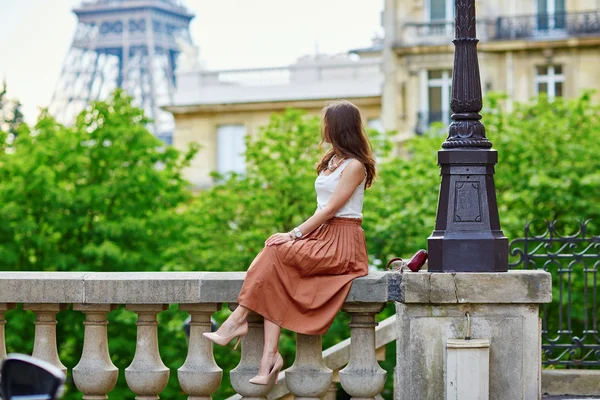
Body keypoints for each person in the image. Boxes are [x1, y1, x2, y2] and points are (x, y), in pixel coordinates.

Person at [203, 100, 376, 386]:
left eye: (327, 123)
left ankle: (237, 321)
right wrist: (300, 235)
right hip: (323, 235)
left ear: (338, 127)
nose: (323, 128)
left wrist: (294, 234)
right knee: (277, 268)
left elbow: (331, 209)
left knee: (275, 250)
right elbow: (322, 210)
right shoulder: (332, 160)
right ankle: (268, 356)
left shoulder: (356, 166)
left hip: (342, 242)